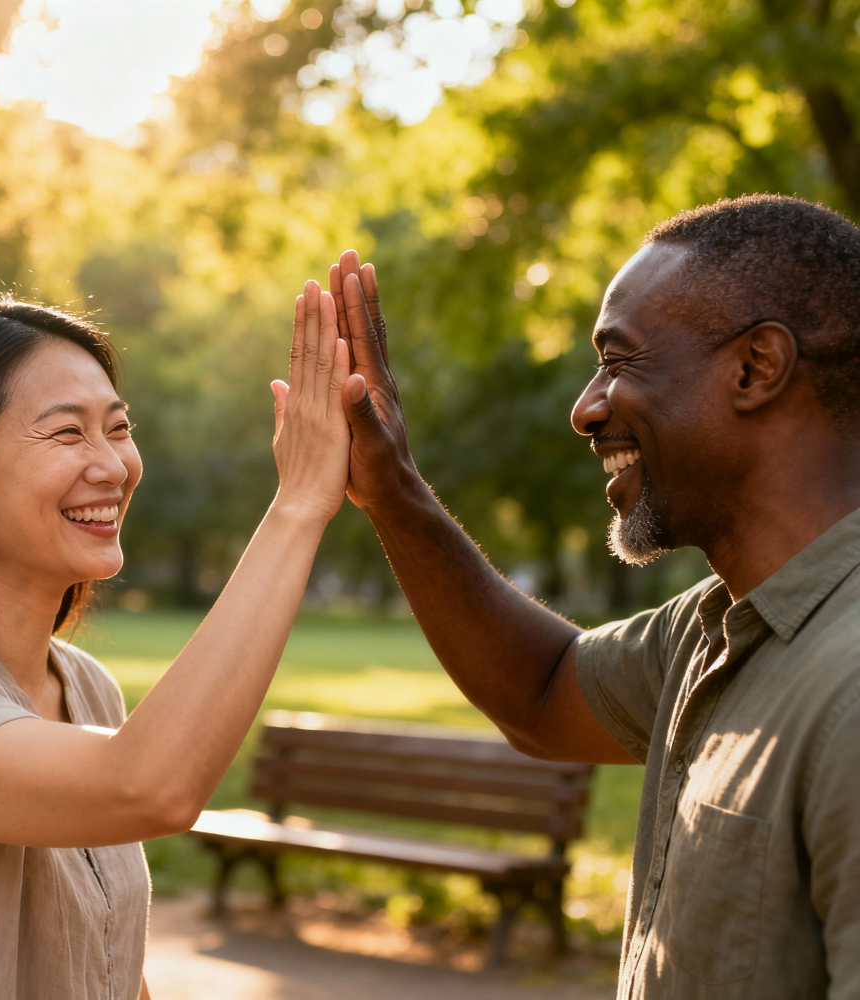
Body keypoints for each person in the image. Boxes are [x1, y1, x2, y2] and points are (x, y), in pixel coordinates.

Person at [328, 194, 860, 998]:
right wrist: (392, 489)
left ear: (756, 368)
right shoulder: (714, 630)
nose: (586, 408)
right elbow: (541, 691)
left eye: (618, 360)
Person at [0, 283, 350, 999]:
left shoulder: (87, 688)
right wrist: (299, 503)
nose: (112, 466)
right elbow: (148, 786)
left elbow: (105, 954)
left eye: (117, 428)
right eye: (67, 433)